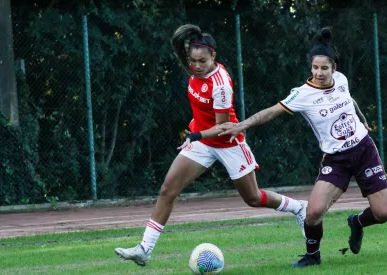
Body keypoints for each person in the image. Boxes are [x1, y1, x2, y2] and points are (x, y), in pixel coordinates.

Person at [114, 24, 308, 266]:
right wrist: (179, 39)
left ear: (213, 56)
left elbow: (222, 127)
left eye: (202, 61)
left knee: (253, 198)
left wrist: (193, 136)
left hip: (227, 142)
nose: (196, 66)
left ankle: (299, 207)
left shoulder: (221, 83)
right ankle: (145, 249)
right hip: (202, 141)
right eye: (192, 60)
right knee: (168, 189)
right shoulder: (193, 69)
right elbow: (181, 54)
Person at [217, 27, 387, 268]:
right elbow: (270, 112)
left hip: (364, 150)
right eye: (315, 67)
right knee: (313, 213)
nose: (318, 73)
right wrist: (241, 126)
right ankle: (312, 256)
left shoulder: (342, 80)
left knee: (383, 213)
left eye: (324, 68)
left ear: (334, 68)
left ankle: (357, 223)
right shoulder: (302, 94)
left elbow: (349, 100)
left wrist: (362, 119)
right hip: (336, 159)